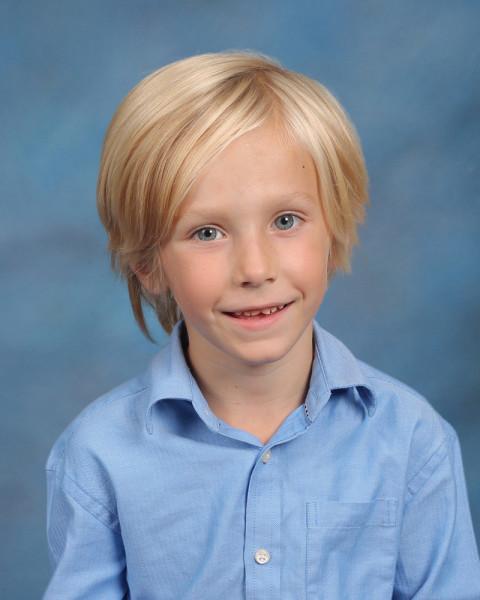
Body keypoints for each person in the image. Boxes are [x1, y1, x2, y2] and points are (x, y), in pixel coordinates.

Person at [43, 50, 480, 599]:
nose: (255, 269)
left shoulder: (412, 439)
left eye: (285, 220)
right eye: (207, 232)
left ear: (334, 231)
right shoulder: (98, 455)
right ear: (148, 265)